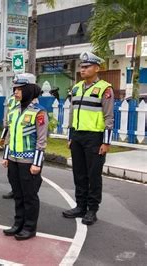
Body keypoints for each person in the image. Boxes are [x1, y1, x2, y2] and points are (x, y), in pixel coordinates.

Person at [62, 52, 114, 226]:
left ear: (96, 68)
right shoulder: (76, 88)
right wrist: (70, 136)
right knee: (79, 173)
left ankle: (92, 210)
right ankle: (80, 206)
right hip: (77, 136)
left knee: (93, 175)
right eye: (82, 67)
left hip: (95, 137)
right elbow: (71, 113)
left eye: (86, 67)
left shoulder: (105, 89)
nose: (82, 69)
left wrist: (106, 142)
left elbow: (109, 117)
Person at [1, 73, 48, 241]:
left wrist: (36, 164)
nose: (16, 92)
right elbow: (9, 136)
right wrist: (6, 156)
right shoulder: (14, 112)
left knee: (29, 196)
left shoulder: (39, 112)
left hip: (29, 162)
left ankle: (29, 227)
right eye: (15, 89)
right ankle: (18, 223)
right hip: (13, 160)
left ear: (28, 90)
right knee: (18, 195)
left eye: (19, 89)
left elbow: (41, 141)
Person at [0, 89, 19, 200]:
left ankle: (20, 191)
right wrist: (2, 136)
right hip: (10, 135)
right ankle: (14, 189)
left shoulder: (29, 102)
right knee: (10, 169)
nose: (16, 91)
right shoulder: (11, 100)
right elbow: (7, 120)